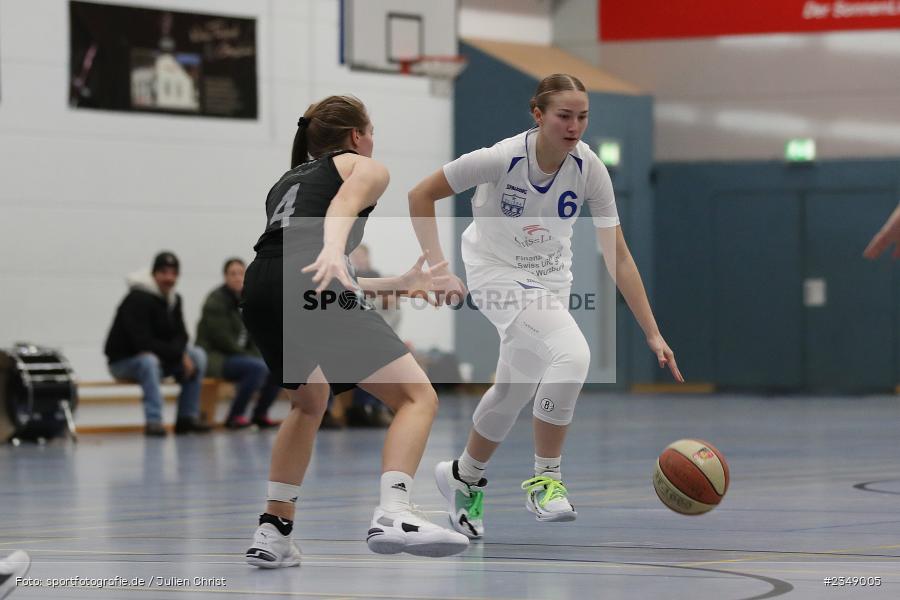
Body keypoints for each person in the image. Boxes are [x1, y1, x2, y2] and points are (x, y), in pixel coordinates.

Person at [408, 74, 684, 540]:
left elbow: (618, 254)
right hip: (494, 271)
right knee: (572, 355)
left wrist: (652, 331)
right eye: (564, 115)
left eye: (583, 116)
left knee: (513, 390)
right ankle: (546, 479)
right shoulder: (501, 158)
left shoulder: (589, 168)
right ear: (538, 114)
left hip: (551, 280)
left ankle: (464, 476)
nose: (575, 125)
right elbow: (420, 194)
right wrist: (437, 267)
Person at [240, 95, 469, 566]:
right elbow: (334, 226)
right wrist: (330, 245)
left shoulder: (286, 181)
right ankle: (395, 510)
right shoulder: (365, 167)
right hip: (307, 277)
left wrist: (400, 283)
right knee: (416, 397)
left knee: (309, 401)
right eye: (372, 131)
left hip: (261, 285)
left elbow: (310, 266)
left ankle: (274, 530)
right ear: (356, 136)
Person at [105, 251, 211, 436]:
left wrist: (182, 354)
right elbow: (142, 342)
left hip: (159, 358)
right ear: (154, 274)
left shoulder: (174, 300)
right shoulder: (137, 298)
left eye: (173, 273)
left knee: (197, 355)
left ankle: (187, 418)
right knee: (149, 361)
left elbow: (182, 335)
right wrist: (178, 354)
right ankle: (154, 421)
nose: (169, 278)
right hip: (124, 361)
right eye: (164, 273)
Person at [196, 258, 281, 429]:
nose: (237, 278)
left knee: (278, 366)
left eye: (241, 273)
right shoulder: (216, 300)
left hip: (241, 358)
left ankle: (260, 414)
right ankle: (235, 416)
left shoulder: (248, 301)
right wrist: (255, 357)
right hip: (217, 358)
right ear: (225, 277)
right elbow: (223, 340)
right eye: (232, 274)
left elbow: (258, 336)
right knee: (258, 367)